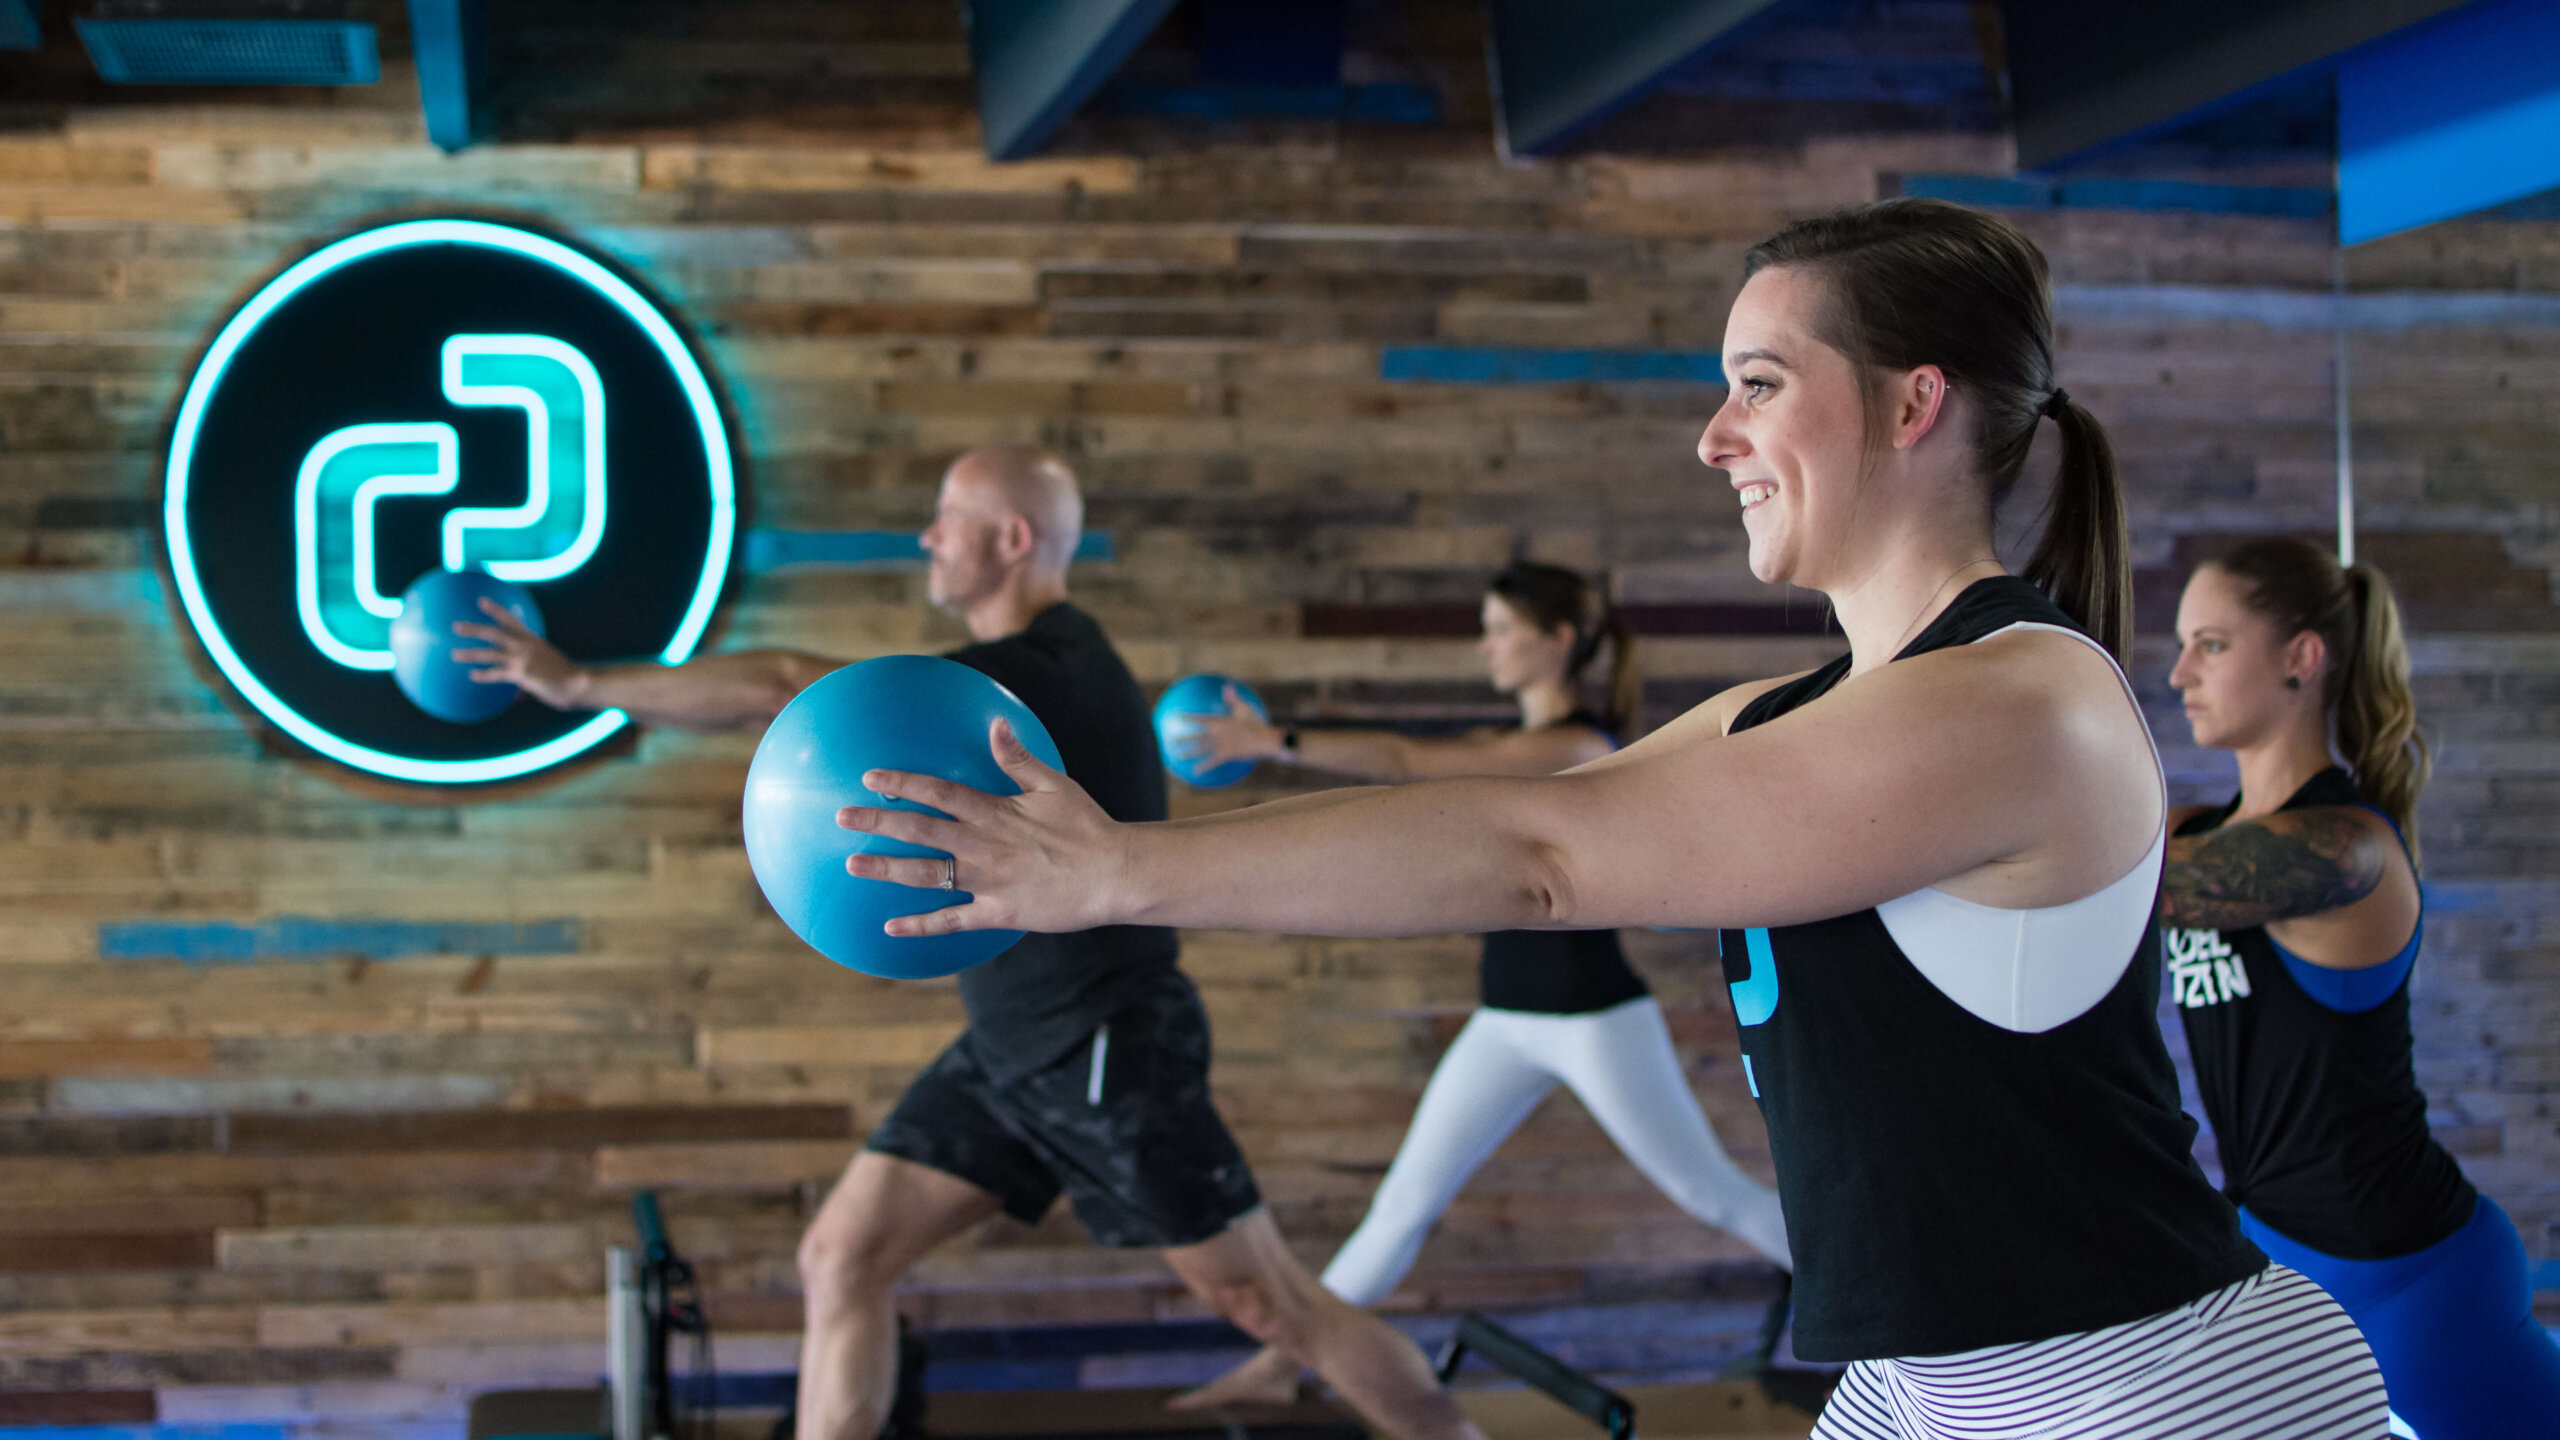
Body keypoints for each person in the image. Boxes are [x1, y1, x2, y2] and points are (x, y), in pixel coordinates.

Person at [833, 201, 2389, 1438]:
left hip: (2148, 1388)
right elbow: (1519, 820)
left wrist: (1117, 872)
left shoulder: (2019, 700)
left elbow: (1545, 864)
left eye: (1759, 385)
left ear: (1915, 402)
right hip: (1930, 1385)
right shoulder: (1791, 712)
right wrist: (1197, 818)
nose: (1714, 436)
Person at [453, 446, 1486, 1440]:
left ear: (1012, 538)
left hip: (1103, 1044)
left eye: (948, 518)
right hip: (1010, 1047)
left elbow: (787, 690)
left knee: (1267, 1304)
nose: (928, 537)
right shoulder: (1002, 681)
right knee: (842, 1255)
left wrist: (579, 685)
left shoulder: (1049, 674)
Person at [1169, 560, 1791, 1409]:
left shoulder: (1578, 746)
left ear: (1559, 641)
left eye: (1502, 630)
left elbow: (1406, 758)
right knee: (1403, 1205)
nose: (1485, 646)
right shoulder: (1513, 744)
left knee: (1706, 1191)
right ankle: (1281, 1368)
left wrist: (1273, 742)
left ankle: (1887, 1296)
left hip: (1592, 1017)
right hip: (1507, 1019)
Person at [2165, 536, 2560, 1439]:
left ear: (2300, 658)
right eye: (2183, 645)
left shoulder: (2346, 850)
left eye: (2211, 645)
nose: (2182, 671)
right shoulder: (2197, 831)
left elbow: (2106, 878)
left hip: (2414, 1279)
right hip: (2284, 1265)